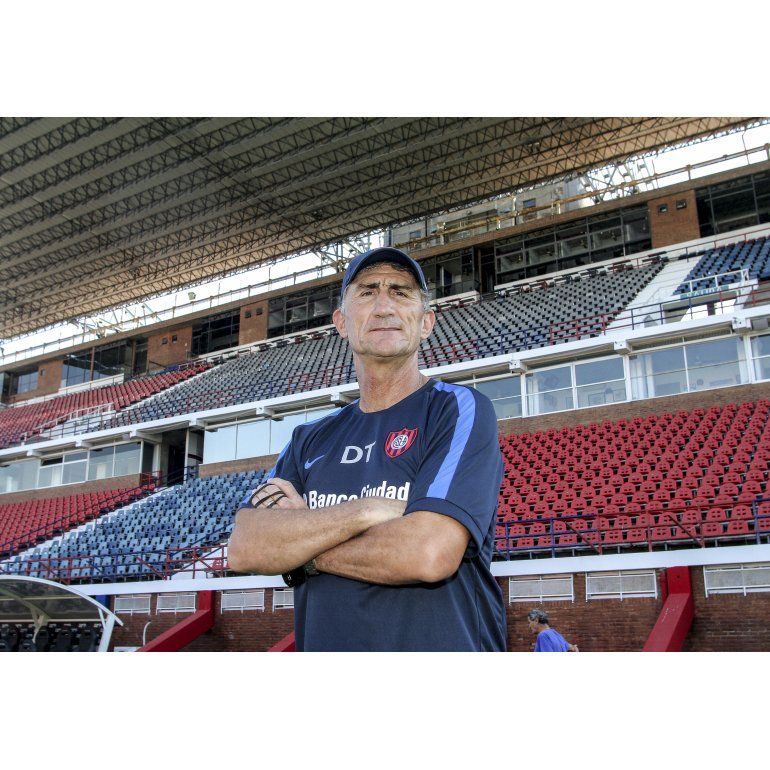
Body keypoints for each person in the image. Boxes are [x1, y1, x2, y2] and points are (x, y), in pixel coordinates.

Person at [228, 246, 507, 651]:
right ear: (341, 322)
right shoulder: (309, 438)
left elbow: (428, 552)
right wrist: (366, 510)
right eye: (367, 292)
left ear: (426, 322)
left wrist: (303, 549)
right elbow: (245, 547)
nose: (384, 307)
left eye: (401, 292)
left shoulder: (458, 409)